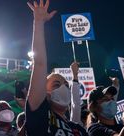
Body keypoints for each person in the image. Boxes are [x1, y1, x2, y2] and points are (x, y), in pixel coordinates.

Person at [25, 0, 88, 135]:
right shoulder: (39, 116)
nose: (64, 88)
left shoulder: (79, 129)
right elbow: (40, 63)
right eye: (56, 84)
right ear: (45, 93)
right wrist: (39, 22)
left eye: (66, 84)